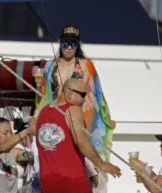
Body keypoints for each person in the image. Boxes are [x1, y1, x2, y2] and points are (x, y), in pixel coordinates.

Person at [35, 78, 121, 193]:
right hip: (73, 179)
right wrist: (101, 164)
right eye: (82, 95)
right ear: (69, 93)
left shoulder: (43, 112)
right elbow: (81, 140)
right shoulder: (72, 110)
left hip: (48, 179)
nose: (84, 99)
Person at [37, 25, 114, 163]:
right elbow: (44, 94)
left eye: (74, 44)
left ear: (78, 45)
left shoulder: (86, 65)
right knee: (58, 156)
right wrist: (37, 116)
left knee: (81, 156)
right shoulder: (50, 65)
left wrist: (106, 117)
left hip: (78, 116)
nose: (69, 47)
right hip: (56, 116)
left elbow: (97, 95)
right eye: (66, 43)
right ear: (60, 43)